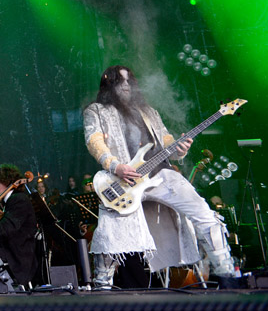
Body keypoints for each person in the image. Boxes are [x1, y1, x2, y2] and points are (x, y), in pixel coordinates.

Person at [84, 65, 236, 288]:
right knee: (111, 231)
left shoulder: (149, 112)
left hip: (160, 174)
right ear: (109, 85)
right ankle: (102, 285)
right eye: (119, 80)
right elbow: (94, 141)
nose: (126, 85)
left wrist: (179, 149)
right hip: (124, 179)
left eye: (129, 80)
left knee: (205, 214)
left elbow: (166, 141)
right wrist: (116, 166)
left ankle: (227, 274)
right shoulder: (97, 111)